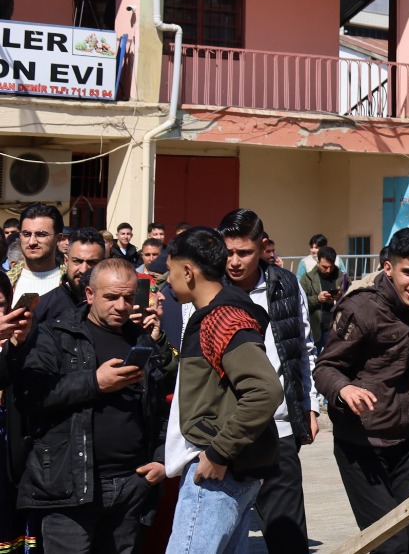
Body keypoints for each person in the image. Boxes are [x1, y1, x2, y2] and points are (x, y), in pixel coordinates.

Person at [17, 259, 175, 554]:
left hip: (132, 485)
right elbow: (32, 395)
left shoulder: (141, 339)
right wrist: (94, 382)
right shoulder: (56, 334)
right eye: (111, 297)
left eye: (128, 297)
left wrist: (161, 459)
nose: (121, 306)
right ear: (90, 294)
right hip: (70, 486)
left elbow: (159, 408)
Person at [184, 210, 317, 554]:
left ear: (263, 247)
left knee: (288, 537)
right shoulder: (206, 287)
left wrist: (310, 405)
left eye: (244, 252)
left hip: (279, 429)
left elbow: (303, 349)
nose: (234, 261)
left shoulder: (286, 285)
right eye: (228, 252)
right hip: (221, 432)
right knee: (219, 537)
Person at [314, 228, 409, 554]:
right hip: (361, 446)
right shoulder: (359, 309)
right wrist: (345, 389)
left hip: (406, 444)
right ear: (388, 268)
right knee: (390, 545)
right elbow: (325, 367)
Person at [164, 227, 285, 554]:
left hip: (216, 473)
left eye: (170, 271)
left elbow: (265, 390)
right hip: (223, 468)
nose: (167, 281)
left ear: (187, 272)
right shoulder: (217, 312)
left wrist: (219, 453)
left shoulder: (222, 317)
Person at [29, 227, 107, 333]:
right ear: (66, 261)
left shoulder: (114, 307)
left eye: (92, 262)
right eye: (77, 261)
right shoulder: (42, 308)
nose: (83, 269)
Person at [299, 246, 350, 350]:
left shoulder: (343, 278)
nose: (328, 270)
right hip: (316, 331)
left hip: (337, 330)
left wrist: (341, 296)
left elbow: (354, 299)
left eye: (331, 267)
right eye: (324, 267)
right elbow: (300, 303)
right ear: (318, 262)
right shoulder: (307, 279)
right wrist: (317, 299)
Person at [11, 202, 64, 297]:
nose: (32, 242)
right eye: (26, 234)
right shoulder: (6, 281)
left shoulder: (71, 284)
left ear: (59, 239)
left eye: (41, 235)